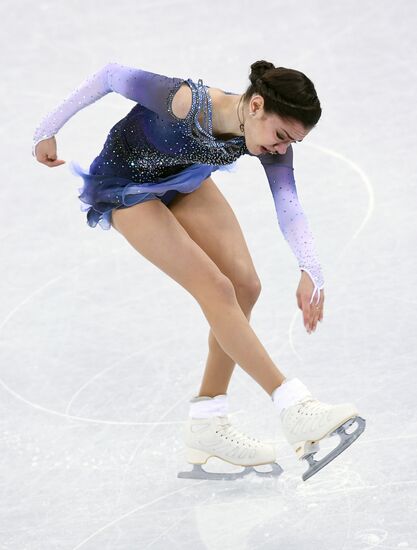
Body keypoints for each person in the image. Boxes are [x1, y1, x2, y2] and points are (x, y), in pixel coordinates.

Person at [32, 60, 365, 481]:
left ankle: (208, 422)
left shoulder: (266, 138)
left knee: (245, 286)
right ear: (256, 105)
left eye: (292, 142)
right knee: (216, 289)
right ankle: (292, 404)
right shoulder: (185, 101)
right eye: (281, 136)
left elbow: (289, 206)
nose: (282, 149)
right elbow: (110, 75)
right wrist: (46, 128)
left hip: (183, 179)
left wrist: (310, 267)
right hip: (126, 188)